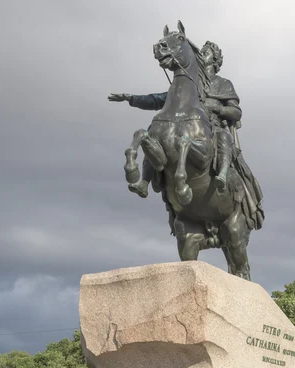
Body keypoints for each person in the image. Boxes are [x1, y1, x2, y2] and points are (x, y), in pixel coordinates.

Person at [108, 41, 263, 230]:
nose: (201, 56)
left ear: (215, 61)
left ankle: (221, 174)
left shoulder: (223, 84)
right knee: (155, 132)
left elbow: (236, 112)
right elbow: (159, 99)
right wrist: (131, 98)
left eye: (205, 53)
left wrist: (219, 108)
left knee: (224, 137)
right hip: (182, 127)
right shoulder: (188, 82)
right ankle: (145, 181)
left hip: (211, 128)